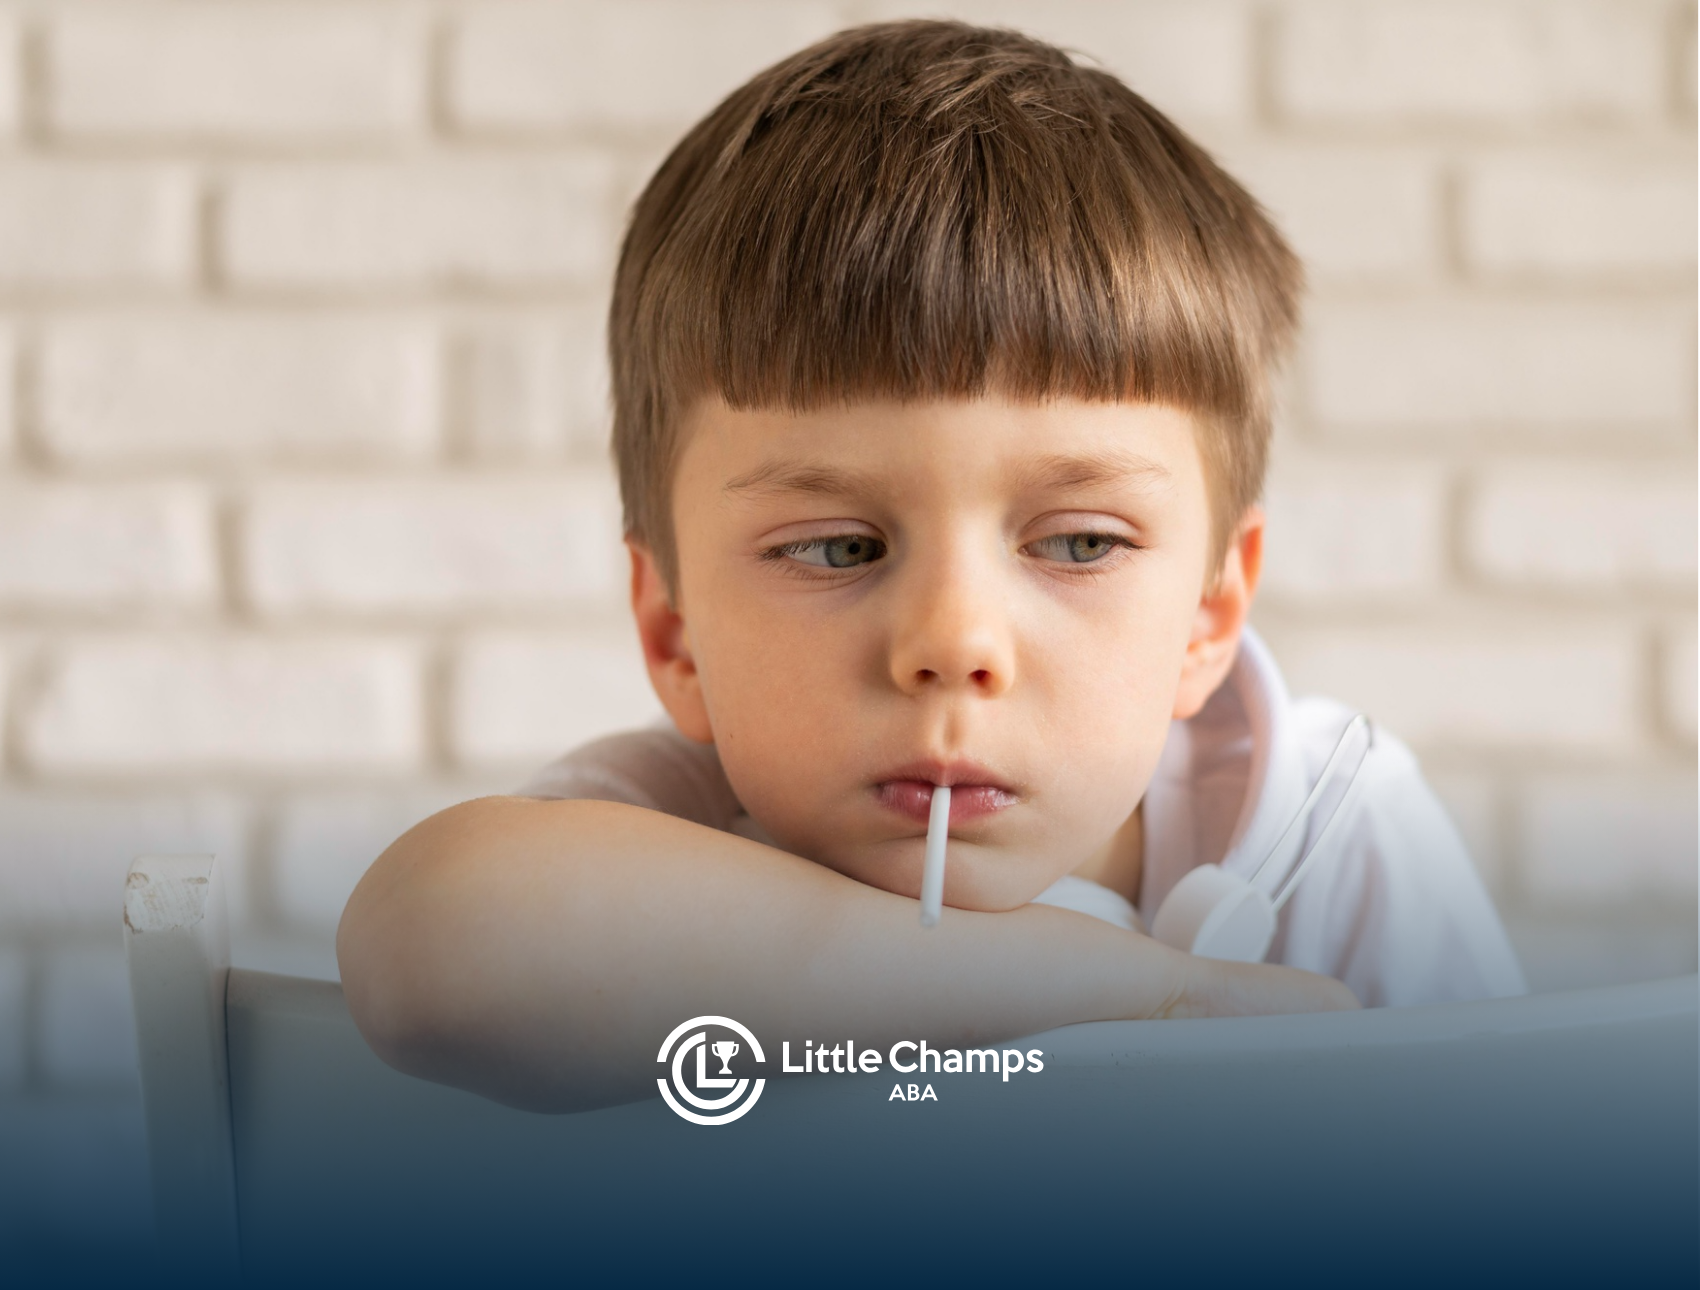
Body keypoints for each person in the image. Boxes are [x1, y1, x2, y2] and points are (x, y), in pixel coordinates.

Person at [337, 20, 1521, 1115]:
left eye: (1077, 543)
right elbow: (429, 938)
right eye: (836, 548)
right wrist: (1141, 996)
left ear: (1208, 615)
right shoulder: (661, 833)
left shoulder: (1326, 832)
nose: (953, 642)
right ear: (675, 634)